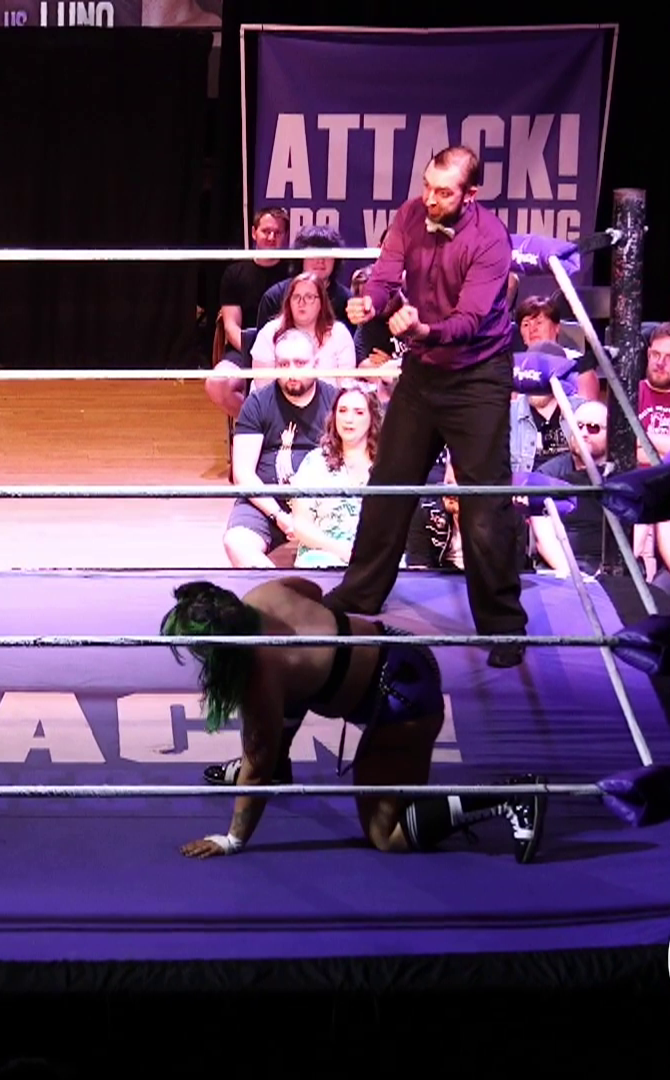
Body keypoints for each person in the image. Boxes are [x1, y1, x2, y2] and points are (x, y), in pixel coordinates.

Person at [161, 579, 545, 863]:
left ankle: (509, 796)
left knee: (386, 835)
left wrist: (233, 839)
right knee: (295, 688)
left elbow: (255, 769)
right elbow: (311, 590)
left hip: (400, 698)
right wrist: (315, 652)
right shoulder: (264, 594)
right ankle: (284, 764)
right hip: (394, 645)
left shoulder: (260, 679)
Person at [327, 146, 530, 669]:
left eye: (443, 192)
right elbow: (385, 275)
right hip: (423, 371)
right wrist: (371, 303)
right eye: (427, 187)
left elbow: (468, 321)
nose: (430, 200)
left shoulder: (490, 240)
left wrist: (421, 329)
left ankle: (504, 626)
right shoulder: (411, 214)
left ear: (470, 194)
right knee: (389, 483)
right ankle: (360, 593)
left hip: (477, 375)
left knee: (484, 504)